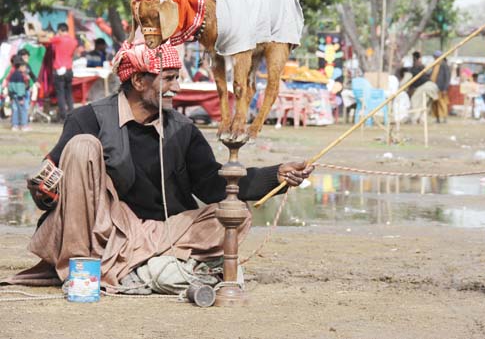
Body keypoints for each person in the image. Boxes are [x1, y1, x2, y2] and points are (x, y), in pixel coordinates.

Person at [6, 39, 314, 294]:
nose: (177, 88)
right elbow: (50, 183)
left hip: (161, 233)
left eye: (177, 78)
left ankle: (126, 265)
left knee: (234, 215)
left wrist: (277, 174)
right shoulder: (88, 119)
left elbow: (211, 183)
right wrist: (46, 188)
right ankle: (92, 267)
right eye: (168, 78)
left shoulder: (182, 129)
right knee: (82, 146)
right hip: (101, 231)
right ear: (139, 80)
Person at [38, 23, 78, 122]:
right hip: (69, 69)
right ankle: (72, 114)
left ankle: (63, 116)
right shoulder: (74, 41)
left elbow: (43, 41)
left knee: (60, 94)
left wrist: (42, 34)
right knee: (69, 94)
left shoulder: (59, 39)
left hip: (59, 69)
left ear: (60, 30)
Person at [7, 57, 31, 131]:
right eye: (24, 67)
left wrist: (11, 95)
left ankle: (15, 125)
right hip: (19, 96)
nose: (25, 68)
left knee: (15, 110)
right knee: (23, 110)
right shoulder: (20, 76)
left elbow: (10, 86)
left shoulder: (13, 74)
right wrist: (21, 98)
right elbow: (20, 88)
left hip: (14, 95)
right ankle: (24, 125)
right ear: (20, 67)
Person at [430, 50, 451, 123]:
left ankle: (444, 117)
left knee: (442, 103)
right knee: (435, 103)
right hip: (434, 87)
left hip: (441, 88)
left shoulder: (444, 65)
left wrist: (445, 88)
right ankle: (437, 118)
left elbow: (447, 77)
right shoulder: (435, 65)